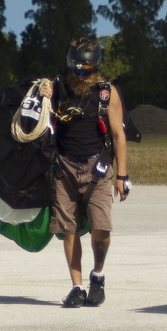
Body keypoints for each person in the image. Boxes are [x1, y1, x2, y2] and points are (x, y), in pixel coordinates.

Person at [37, 38, 131, 308]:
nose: (79, 75)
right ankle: (77, 287)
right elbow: (35, 118)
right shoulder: (57, 89)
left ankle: (97, 276)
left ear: (96, 68)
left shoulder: (107, 92)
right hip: (64, 167)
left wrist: (122, 177)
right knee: (69, 231)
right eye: (75, 69)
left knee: (101, 230)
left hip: (97, 169)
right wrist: (42, 94)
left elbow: (118, 135)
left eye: (85, 70)